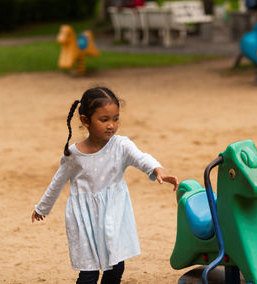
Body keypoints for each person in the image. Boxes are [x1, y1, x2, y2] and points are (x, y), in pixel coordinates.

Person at [31, 87, 179, 284]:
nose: (111, 125)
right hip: (84, 219)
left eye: (116, 119)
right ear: (85, 121)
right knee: (89, 274)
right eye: (104, 120)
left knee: (116, 267)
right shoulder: (74, 155)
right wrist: (42, 207)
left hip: (114, 213)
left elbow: (141, 158)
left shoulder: (121, 145)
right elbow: (57, 182)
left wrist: (157, 170)